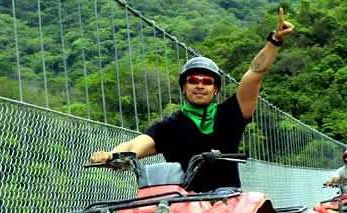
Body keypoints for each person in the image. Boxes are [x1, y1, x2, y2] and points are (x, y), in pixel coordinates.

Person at [90, 8, 295, 192]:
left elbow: (254, 73)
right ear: (184, 86)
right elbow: (135, 145)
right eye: (193, 80)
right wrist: (111, 155)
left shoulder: (231, 114)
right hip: (183, 206)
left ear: (215, 89)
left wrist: (274, 41)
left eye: (206, 81)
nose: (199, 85)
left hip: (228, 203)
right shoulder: (169, 126)